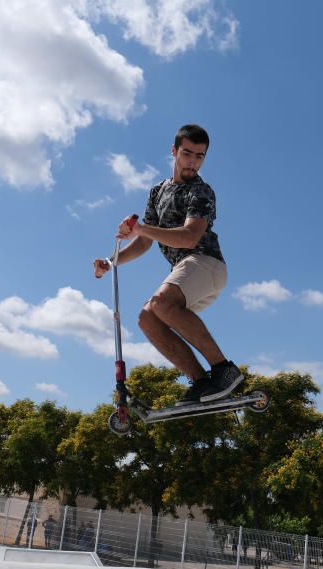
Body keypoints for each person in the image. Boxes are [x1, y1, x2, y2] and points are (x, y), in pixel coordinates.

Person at [94, 124, 243, 405]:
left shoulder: (201, 192)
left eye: (200, 156)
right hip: (185, 271)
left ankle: (224, 369)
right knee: (147, 318)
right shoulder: (157, 192)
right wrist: (111, 261)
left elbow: (189, 238)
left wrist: (141, 228)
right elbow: (143, 243)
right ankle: (202, 384)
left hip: (205, 262)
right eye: (187, 153)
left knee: (160, 302)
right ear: (174, 151)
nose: (193, 162)